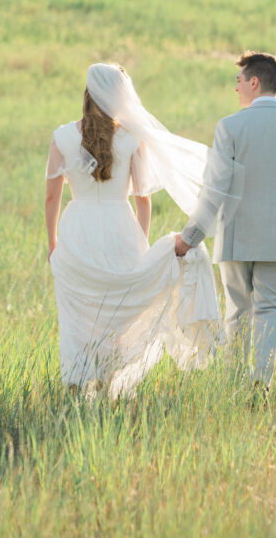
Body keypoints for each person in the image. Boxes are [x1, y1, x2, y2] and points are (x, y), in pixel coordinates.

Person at [44, 63, 225, 397]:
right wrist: (140, 243)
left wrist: (53, 242)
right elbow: (143, 199)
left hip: (77, 230)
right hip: (120, 228)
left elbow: (52, 194)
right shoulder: (130, 140)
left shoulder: (62, 137)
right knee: (118, 309)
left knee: (77, 313)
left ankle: (75, 382)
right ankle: (109, 380)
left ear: (87, 92)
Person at [174, 52, 276, 394]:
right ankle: (259, 384)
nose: (236, 88)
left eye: (239, 81)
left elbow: (215, 190)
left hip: (237, 237)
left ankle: (233, 386)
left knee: (238, 312)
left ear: (254, 82)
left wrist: (190, 237)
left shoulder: (230, 127)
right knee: (270, 310)